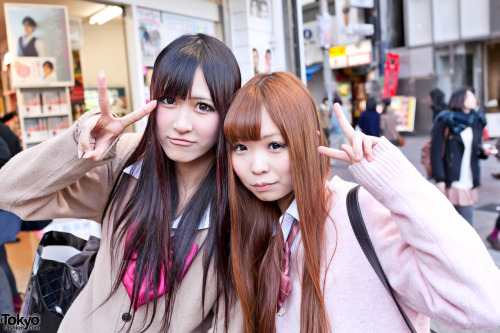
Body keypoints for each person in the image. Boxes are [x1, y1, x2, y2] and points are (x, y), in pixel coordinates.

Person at [0, 34, 242, 332]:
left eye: (203, 106)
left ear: (228, 111)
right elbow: (9, 191)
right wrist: (79, 143)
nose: (181, 123)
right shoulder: (126, 160)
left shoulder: (239, 197)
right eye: (169, 100)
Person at [223, 72, 500, 332]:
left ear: (311, 141)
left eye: (275, 145)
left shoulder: (361, 212)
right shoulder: (259, 228)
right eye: (241, 147)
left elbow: (484, 302)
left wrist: (395, 182)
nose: (256, 166)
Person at [430, 87, 495, 225]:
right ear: (461, 99)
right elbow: (435, 151)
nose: (474, 99)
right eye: (470, 96)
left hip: (469, 178)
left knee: (462, 225)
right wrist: (439, 178)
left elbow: (475, 148)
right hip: (452, 178)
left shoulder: (477, 120)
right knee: (455, 224)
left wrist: (483, 151)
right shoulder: (445, 120)